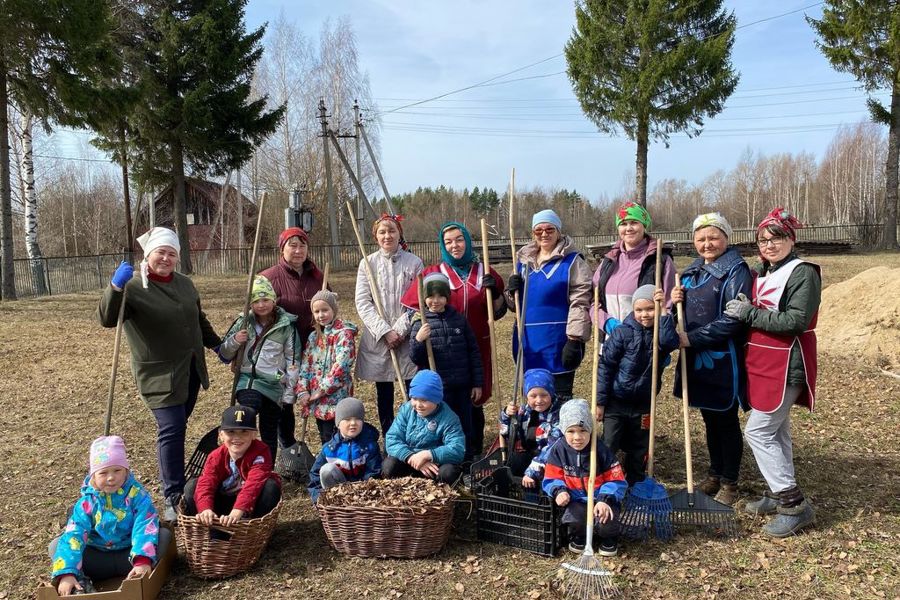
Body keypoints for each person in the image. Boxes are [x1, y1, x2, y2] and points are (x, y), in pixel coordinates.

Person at [98, 227, 222, 521]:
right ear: (148, 254)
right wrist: (115, 288)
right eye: (160, 252)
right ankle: (173, 496)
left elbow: (197, 320)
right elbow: (106, 318)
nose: (165, 258)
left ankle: (176, 482)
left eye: (171, 253)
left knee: (178, 426)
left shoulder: (185, 284)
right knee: (172, 428)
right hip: (157, 375)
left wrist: (218, 346)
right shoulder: (133, 286)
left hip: (188, 370)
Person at [724, 207, 820, 537]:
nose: (769, 244)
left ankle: (794, 505)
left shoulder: (802, 272)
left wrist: (750, 313)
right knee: (777, 432)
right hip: (764, 361)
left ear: (791, 240)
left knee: (758, 432)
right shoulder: (767, 271)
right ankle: (775, 489)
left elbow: (795, 320)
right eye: (763, 239)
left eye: (776, 237)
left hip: (788, 362)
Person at [400, 221, 507, 458]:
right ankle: (443, 450)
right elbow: (412, 306)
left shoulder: (485, 271)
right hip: (440, 350)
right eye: (448, 241)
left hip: (475, 344)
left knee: (473, 399)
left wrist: (497, 294)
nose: (454, 245)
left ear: (467, 242)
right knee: (445, 400)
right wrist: (416, 332)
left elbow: (499, 312)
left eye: (459, 240)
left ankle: (472, 450)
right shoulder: (433, 273)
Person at [670, 213, 753, 505]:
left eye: (713, 237)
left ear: (726, 239)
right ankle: (715, 473)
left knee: (725, 420)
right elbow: (678, 314)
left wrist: (692, 339)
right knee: (709, 418)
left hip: (721, 359)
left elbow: (734, 318)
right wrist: (673, 300)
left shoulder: (736, 270)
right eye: (701, 238)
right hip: (695, 359)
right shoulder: (691, 272)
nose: (707, 244)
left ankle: (730, 482)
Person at [49, 436, 168, 596]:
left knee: (164, 535)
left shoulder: (137, 496)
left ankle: (141, 570)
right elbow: (74, 533)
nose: (111, 477)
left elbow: (144, 525)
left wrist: (142, 560)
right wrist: (66, 573)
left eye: (117, 470)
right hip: (98, 559)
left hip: (129, 556)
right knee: (56, 545)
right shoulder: (87, 503)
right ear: (93, 476)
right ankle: (79, 582)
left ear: (126, 471)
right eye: (103, 472)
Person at [505, 209, 592, 398]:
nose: (544, 234)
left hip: (558, 343)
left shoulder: (572, 262)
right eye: (538, 230)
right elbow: (515, 306)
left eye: (549, 229)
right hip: (528, 343)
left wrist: (574, 339)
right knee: (533, 401)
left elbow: (581, 301)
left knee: (558, 400)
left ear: (558, 231)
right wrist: (511, 293)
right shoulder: (522, 263)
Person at [598, 284, 680, 486]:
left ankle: (635, 481)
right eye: (639, 310)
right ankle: (605, 478)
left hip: (644, 403)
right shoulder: (622, 333)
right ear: (632, 310)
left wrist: (663, 313)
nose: (645, 314)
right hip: (616, 402)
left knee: (640, 445)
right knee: (609, 442)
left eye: (650, 309)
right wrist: (600, 402)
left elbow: (671, 342)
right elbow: (605, 367)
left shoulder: (660, 335)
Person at [259, 227, 327, 463]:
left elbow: (328, 310)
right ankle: (286, 446)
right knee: (283, 400)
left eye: (302, 246)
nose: (298, 251)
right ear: (282, 249)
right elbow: (256, 313)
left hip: (314, 351)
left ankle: (327, 444)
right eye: (292, 245)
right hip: (280, 353)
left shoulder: (318, 278)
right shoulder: (268, 278)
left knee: (317, 394)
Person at [355, 214, 424, 436]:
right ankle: (389, 436)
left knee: (412, 388)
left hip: (406, 335)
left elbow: (417, 300)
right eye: (382, 232)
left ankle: (413, 433)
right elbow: (362, 301)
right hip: (379, 337)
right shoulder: (367, 263)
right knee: (384, 391)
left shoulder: (414, 263)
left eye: (392, 231)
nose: (387, 235)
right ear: (375, 236)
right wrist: (384, 330)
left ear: (399, 233)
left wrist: (400, 329)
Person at [219, 275, 296, 462]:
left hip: (273, 384)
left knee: (269, 429)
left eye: (265, 299)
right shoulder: (243, 322)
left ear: (274, 300)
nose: (261, 305)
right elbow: (224, 354)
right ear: (250, 304)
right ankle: (241, 461)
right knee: (246, 416)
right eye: (256, 301)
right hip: (247, 381)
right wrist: (235, 341)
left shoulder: (286, 326)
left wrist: (289, 391)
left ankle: (266, 469)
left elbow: (293, 360)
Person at [409, 272, 484, 460]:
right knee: (442, 424)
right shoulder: (421, 323)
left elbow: (473, 352)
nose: (436, 301)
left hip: (462, 385)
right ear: (424, 297)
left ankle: (467, 458)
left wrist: (477, 383)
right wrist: (419, 340)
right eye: (431, 296)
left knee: (464, 423)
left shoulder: (458, 320)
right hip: (439, 389)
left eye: (440, 296)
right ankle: (444, 459)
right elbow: (415, 358)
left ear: (447, 297)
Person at [543, 399, 627, 556]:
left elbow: (617, 480)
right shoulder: (559, 450)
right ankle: (580, 535)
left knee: (606, 519)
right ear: (563, 430)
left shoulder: (601, 450)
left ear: (590, 430)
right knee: (574, 517)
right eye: (571, 431)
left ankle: (608, 537)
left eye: (582, 431)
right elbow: (551, 476)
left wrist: (604, 499)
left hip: (600, 499)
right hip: (576, 500)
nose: (577, 437)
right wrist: (558, 490)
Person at [183, 406, 282, 525]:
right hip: (222, 503)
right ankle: (208, 526)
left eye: (244, 432)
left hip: (248, 504)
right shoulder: (215, 456)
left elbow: (254, 483)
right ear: (221, 435)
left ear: (254, 434)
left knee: (270, 487)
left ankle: (250, 527)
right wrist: (206, 509)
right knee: (192, 486)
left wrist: (238, 511)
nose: (237, 437)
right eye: (231, 432)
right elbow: (207, 482)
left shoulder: (261, 452)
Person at [592, 201, 675, 337]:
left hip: (645, 346)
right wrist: (607, 323)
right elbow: (593, 301)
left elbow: (669, 304)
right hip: (610, 343)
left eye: (634, 222)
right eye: (623, 224)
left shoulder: (659, 261)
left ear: (644, 225)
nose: (628, 228)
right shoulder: (608, 261)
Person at [296, 290, 358, 444]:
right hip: (316, 400)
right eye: (316, 311)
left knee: (337, 435)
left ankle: (343, 463)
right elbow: (305, 366)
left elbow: (341, 366)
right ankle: (328, 463)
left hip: (337, 397)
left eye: (325, 310)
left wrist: (321, 390)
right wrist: (303, 391)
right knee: (324, 435)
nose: (321, 315)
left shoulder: (343, 335)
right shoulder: (314, 337)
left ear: (334, 310)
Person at [383, 369, 466, 485]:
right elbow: (392, 438)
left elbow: (457, 449)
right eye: (414, 398)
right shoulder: (407, 410)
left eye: (424, 400)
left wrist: (428, 455)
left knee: (448, 473)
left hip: (435, 466)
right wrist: (411, 457)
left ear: (436, 399)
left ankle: (448, 498)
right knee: (389, 466)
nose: (418, 405)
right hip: (410, 460)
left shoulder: (449, 418)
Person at [308, 397, 383, 503]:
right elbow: (315, 474)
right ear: (338, 424)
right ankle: (334, 505)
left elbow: (374, 472)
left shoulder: (369, 445)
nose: (353, 423)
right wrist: (318, 498)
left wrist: (363, 493)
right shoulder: (330, 449)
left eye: (357, 419)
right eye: (347, 419)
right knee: (327, 469)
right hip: (339, 490)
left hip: (363, 493)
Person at [498, 368, 562, 487]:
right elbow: (505, 433)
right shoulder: (523, 412)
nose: (539, 400)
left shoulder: (558, 416)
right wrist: (507, 416)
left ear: (552, 393)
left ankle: (537, 499)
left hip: (550, 460)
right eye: (533, 396)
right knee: (513, 463)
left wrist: (532, 472)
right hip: (530, 453)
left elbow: (552, 449)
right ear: (527, 396)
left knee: (538, 476)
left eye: (544, 395)